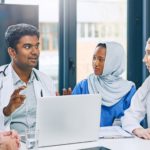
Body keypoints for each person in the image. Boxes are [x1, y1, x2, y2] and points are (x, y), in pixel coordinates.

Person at [0, 23, 56, 134]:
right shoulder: (1, 79)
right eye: (27, 47)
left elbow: (52, 121)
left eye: (37, 46)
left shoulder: (46, 80)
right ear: (12, 52)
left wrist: (61, 107)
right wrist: (7, 111)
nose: (35, 52)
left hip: (42, 143)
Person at [72, 41, 136, 126]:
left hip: (119, 139)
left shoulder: (128, 90)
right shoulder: (83, 86)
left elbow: (134, 123)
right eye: (94, 58)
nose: (96, 63)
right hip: (87, 138)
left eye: (101, 59)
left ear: (114, 62)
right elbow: (71, 119)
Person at [121, 38, 150, 140]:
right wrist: (137, 129)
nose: (144, 59)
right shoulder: (148, 83)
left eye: (149, 53)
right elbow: (130, 115)